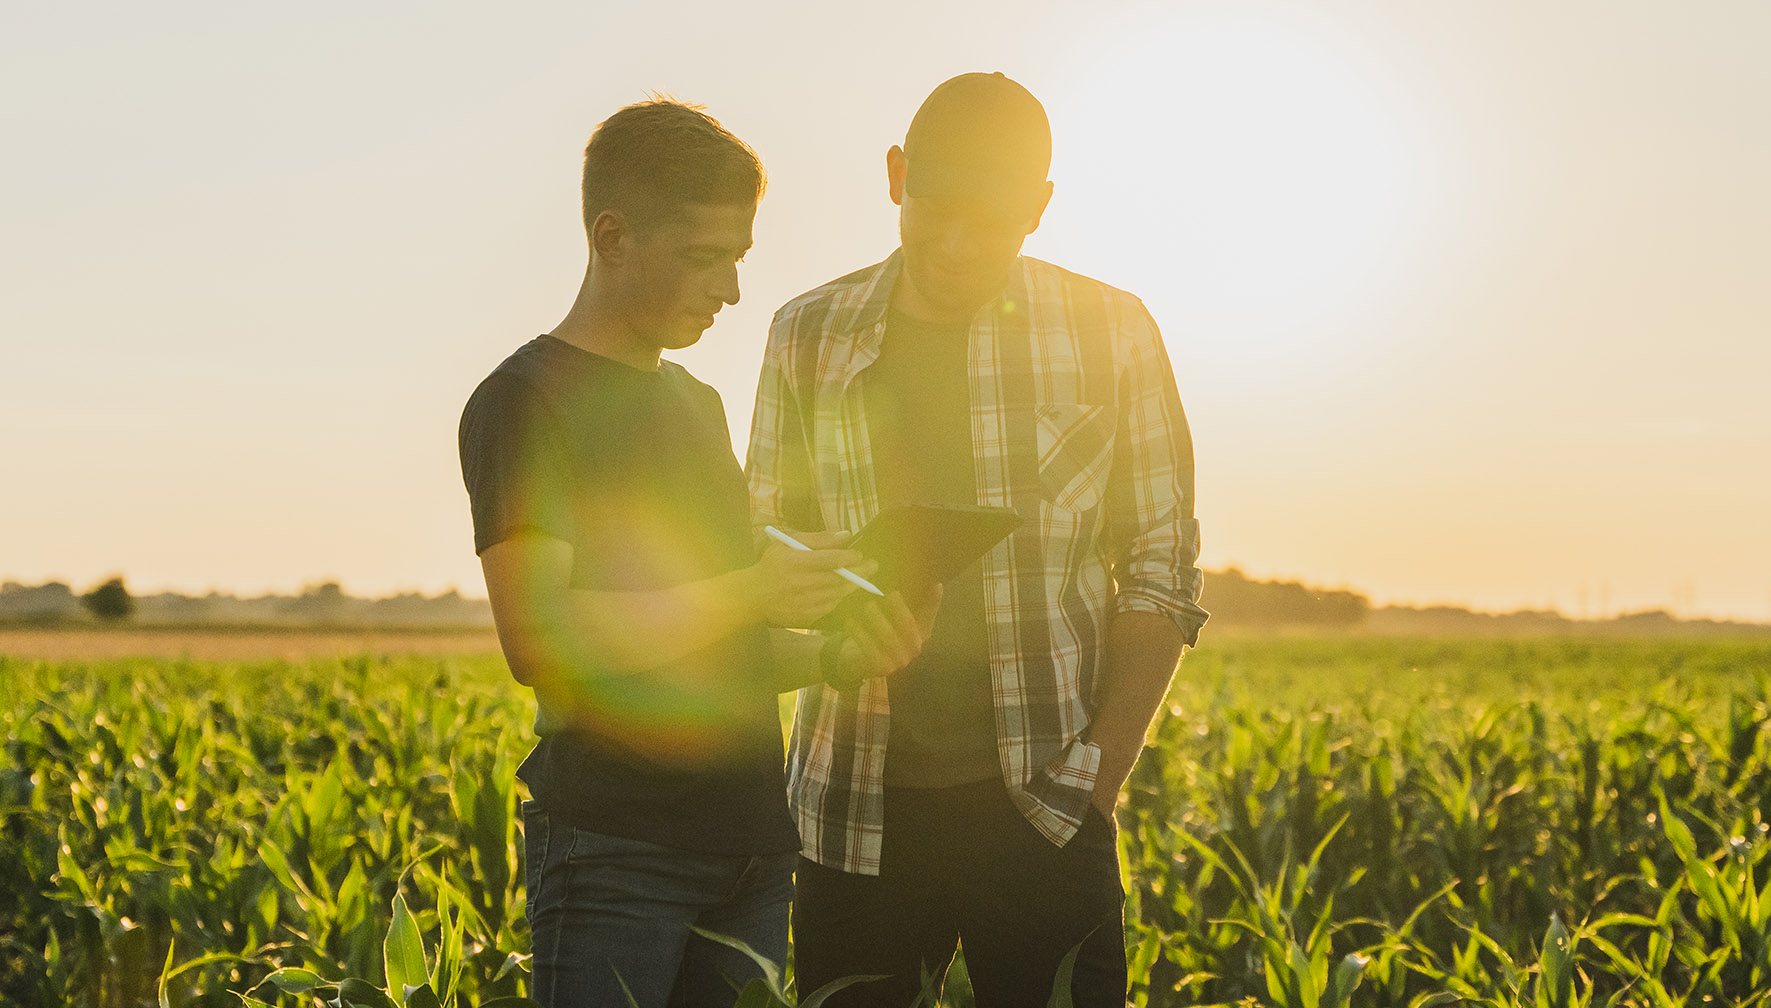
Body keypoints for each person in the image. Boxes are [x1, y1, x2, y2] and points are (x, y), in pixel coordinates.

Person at [744, 72, 1208, 1006]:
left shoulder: (1112, 334)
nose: (956, 245)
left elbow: (1159, 570)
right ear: (895, 176)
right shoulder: (806, 335)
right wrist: (831, 633)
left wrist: (1098, 783)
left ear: (1039, 208)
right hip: (851, 816)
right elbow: (764, 554)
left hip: (1048, 809)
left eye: (991, 221)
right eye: (935, 209)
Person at [458, 100, 932, 1008]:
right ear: (612, 235)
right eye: (705, 257)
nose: (732, 291)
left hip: (751, 852)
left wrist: (834, 652)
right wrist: (754, 589)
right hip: (615, 854)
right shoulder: (523, 402)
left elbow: (711, 648)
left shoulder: (697, 405)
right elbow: (541, 644)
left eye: (741, 259)